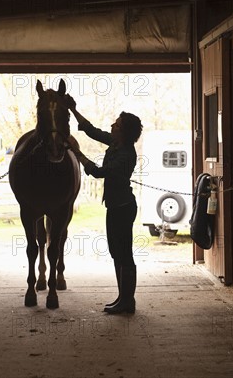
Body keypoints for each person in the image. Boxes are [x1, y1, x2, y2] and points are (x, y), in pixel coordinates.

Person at [63, 95, 142, 314]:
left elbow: (98, 172)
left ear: (123, 131)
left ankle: (128, 301)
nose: (111, 126)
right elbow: (92, 131)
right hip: (116, 206)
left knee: (125, 254)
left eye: (116, 125)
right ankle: (123, 298)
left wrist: (77, 154)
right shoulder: (118, 144)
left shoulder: (125, 154)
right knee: (117, 253)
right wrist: (73, 110)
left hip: (122, 208)